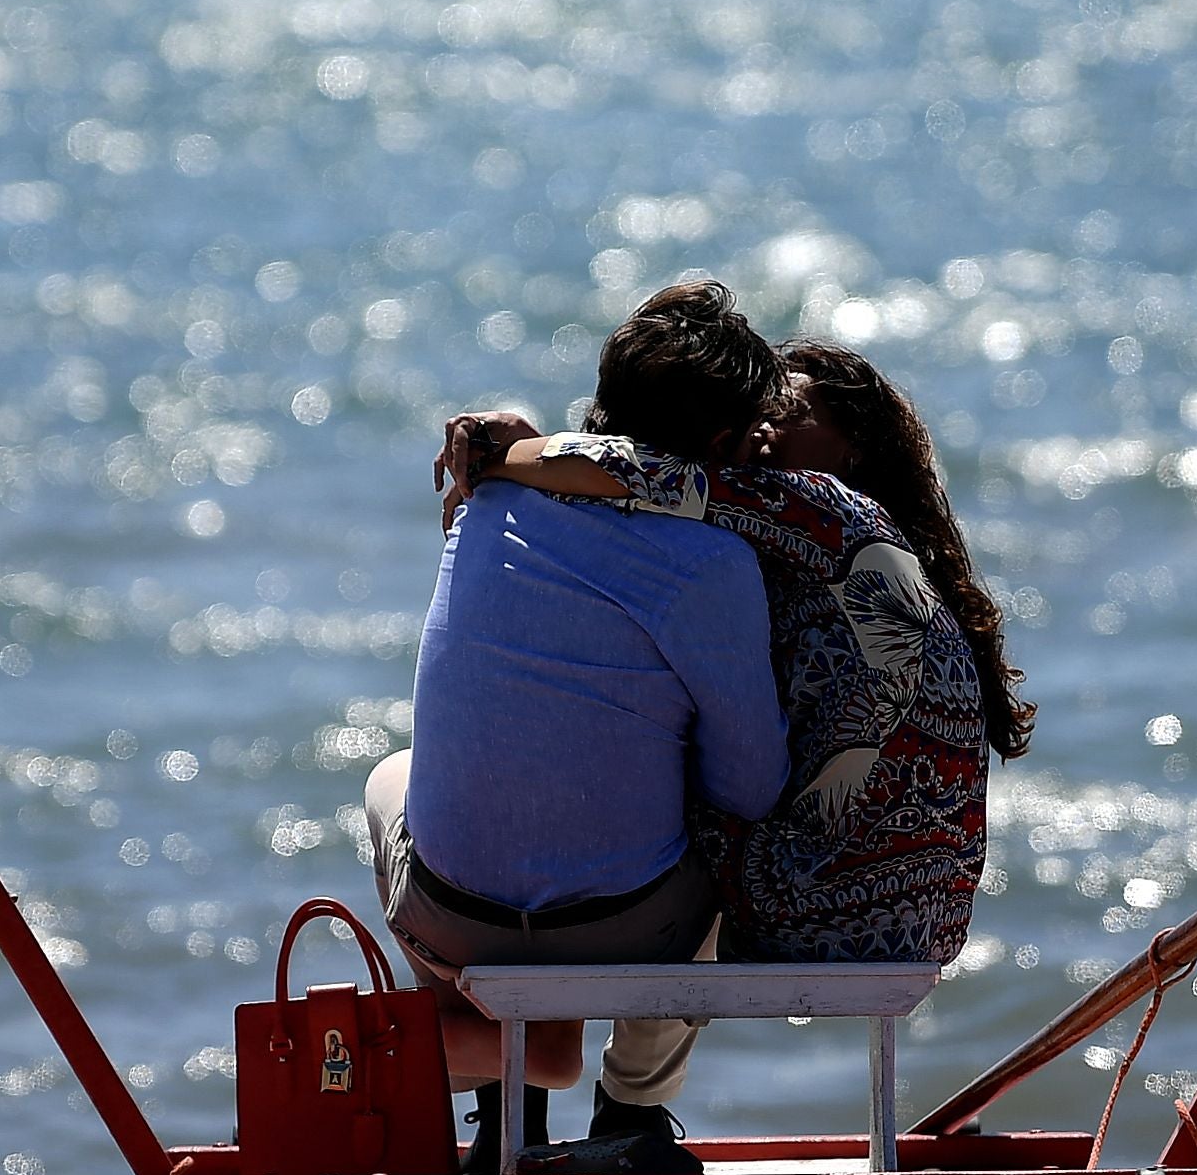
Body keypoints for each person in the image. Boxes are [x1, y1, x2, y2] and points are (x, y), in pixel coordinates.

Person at [362, 281, 787, 1175]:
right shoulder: (715, 562)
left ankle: (505, 1095)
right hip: (624, 927)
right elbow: (752, 785)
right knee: (726, 843)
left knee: (392, 774)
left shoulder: (485, 502)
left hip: (456, 916)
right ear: (720, 447)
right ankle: (631, 1107)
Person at [439, 340, 1031, 965]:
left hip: (805, 914)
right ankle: (632, 1064)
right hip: (923, 928)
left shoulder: (821, 509)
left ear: (853, 446)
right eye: (759, 414)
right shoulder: (873, 557)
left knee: (654, 760)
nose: (764, 428)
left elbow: (645, 473)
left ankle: (612, 1058)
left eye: (788, 413)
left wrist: (501, 454)